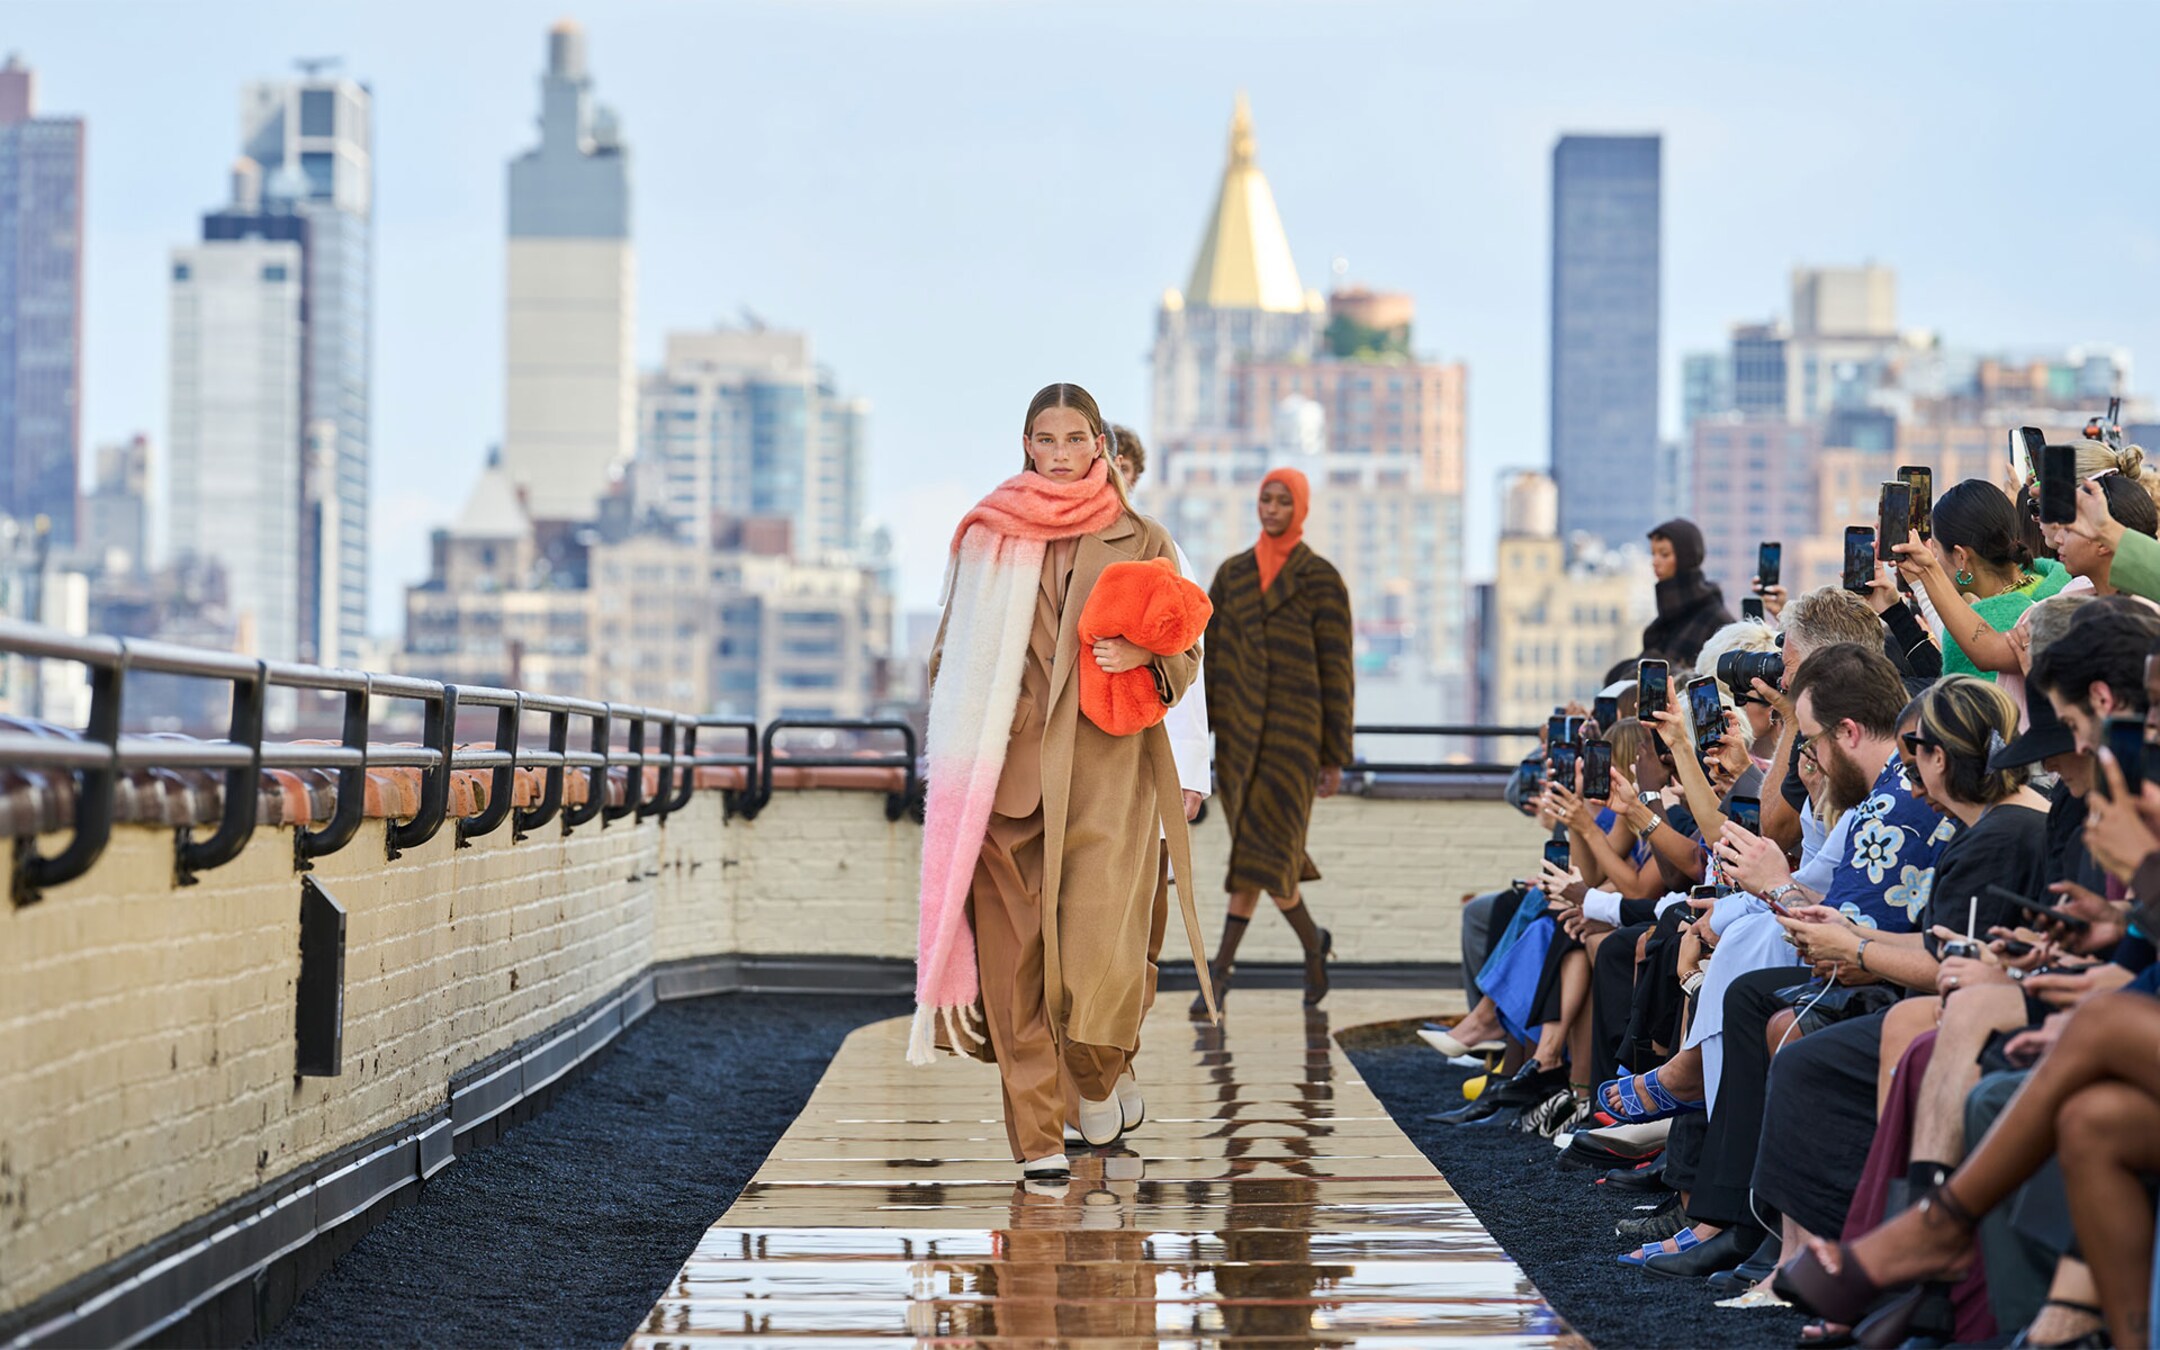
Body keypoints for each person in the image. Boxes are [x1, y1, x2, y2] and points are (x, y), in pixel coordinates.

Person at [913, 382, 1206, 1183]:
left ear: (1101, 447)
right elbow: (945, 654)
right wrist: (978, 701)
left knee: (1094, 971)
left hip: (1106, 785)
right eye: (1046, 439)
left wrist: (1147, 662)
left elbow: (1186, 649)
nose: (1061, 453)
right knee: (1016, 977)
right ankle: (1038, 1141)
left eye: (1076, 439)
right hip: (1006, 791)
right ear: (1027, 447)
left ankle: (1098, 1075)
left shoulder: (1143, 538)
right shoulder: (990, 534)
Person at [1193, 466, 1355, 1012]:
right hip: (1237, 741)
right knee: (1259, 854)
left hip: (1294, 739)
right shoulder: (1232, 575)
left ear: (1301, 508)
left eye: (1283, 501)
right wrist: (1199, 741)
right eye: (1265, 499)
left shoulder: (1321, 579)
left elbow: (1338, 671)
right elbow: (1207, 661)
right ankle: (1313, 943)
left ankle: (1219, 974)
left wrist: (1334, 755)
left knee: (1265, 852)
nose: (1272, 509)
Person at [1641, 518, 1735, 666]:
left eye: (1664, 554)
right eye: (1653, 554)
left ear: (1685, 558)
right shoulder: (1663, 623)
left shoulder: (1716, 620)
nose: (1655, 561)